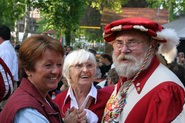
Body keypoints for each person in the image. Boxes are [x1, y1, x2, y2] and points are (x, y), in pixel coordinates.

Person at [101, 17, 185, 123]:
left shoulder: (166, 89)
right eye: (119, 43)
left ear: (152, 46)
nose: (124, 50)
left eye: (132, 42)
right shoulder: (129, 75)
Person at [0, 34, 86, 123]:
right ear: (28, 69)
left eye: (59, 64)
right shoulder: (27, 112)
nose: (56, 71)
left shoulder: (40, 96)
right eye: (48, 65)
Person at [53, 49, 114, 123]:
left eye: (89, 65)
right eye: (79, 66)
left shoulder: (108, 100)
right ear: (68, 71)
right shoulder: (58, 101)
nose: (85, 70)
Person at [0, 25, 18, 108]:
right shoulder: (7, 48)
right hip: (8, 85)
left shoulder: (4, 50)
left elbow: (5, 73)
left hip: (6, 86)